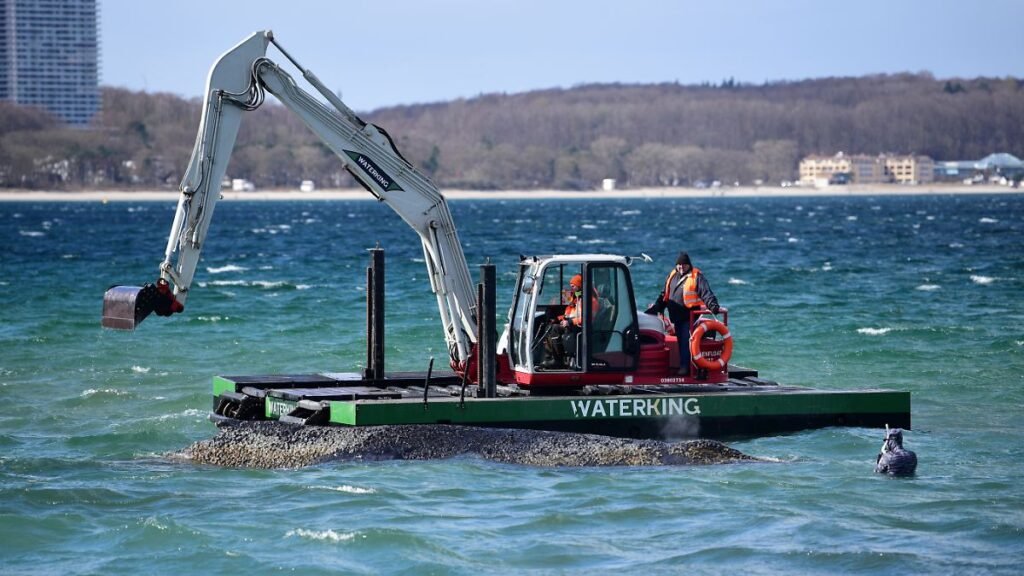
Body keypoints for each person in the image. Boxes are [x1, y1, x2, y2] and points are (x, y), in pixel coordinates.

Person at [645, 252, 720, 376]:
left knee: (685, 341)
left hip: (689, 316)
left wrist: (713, 306)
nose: (681, 267)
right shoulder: (672, 275)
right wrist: (657, 307)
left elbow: (706, 293)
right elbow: (665, 294)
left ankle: (685, 368)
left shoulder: (696, 276)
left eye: (684, 265)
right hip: (676, 316)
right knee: (681, 341)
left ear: (689, 265)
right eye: (679, 264)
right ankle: (684, 365)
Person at [543, 274, 598, 368]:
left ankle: (558, 360)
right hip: (572, 322)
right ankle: (549, 357)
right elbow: (564, 305)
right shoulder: (577, 296)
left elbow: (588, 318)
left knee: (555, 328)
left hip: (581, 327)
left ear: (580, 286)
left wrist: (569, 322)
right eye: (570, 286)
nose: (571, 288)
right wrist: (561, 318)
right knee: (549, 326)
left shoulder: (590, 300)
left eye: (573, 286)